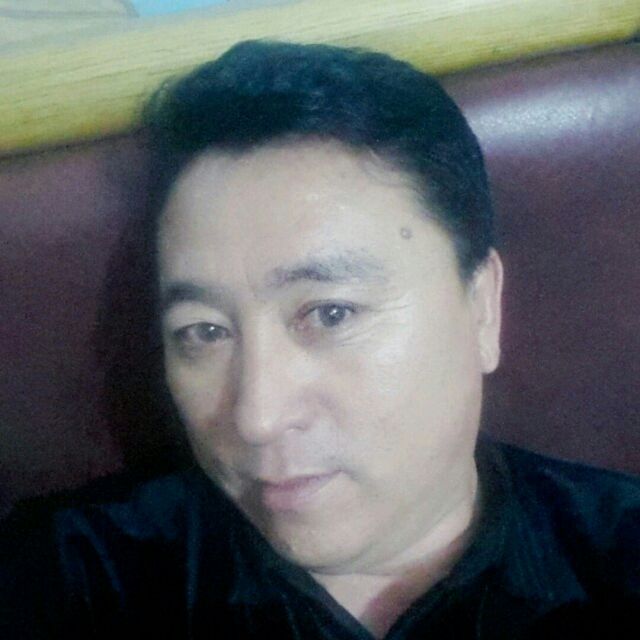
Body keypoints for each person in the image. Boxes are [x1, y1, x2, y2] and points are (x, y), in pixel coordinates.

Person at [1, 40, 638, 639]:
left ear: (481, 309)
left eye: (331, 314)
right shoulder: (75, 576)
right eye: (205, 331)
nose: (256, 417)